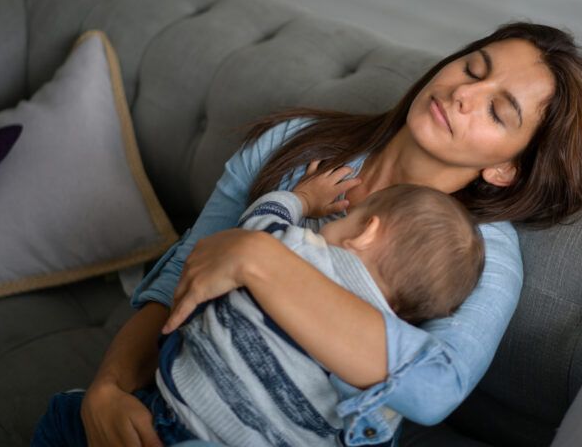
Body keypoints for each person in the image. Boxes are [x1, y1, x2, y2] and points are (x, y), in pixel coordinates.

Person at [80, 21, 582, 447]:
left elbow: (435, 390)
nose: (463, 92)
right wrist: (107, 389)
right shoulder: (294, 146)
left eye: (496, 111)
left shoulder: (480, 252)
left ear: (506, 168)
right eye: (473, 68)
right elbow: (181, 275)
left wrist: (259, 259)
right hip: (181, 395)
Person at [33, 170, 484, 447]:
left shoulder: (295, 247)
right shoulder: (384, 364)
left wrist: (303, 200)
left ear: (366, 231)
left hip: (169, 415)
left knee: (61, 417)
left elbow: (257, 223)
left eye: (342, 219)